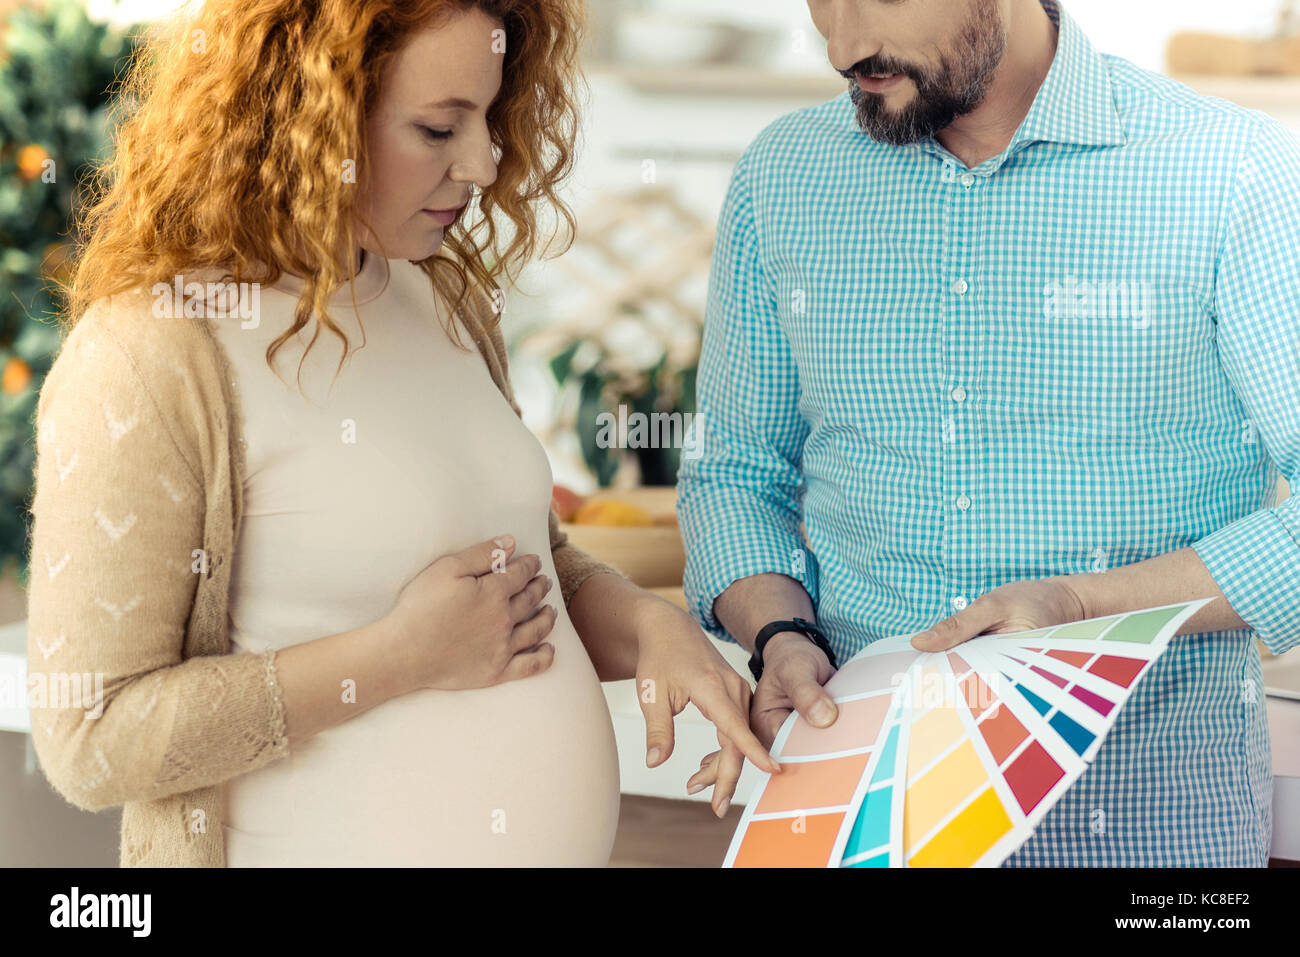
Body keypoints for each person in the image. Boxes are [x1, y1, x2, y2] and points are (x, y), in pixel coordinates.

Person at [27, 0, 776, 868]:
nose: (484, 163)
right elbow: (91, 735)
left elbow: (529, 574)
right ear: (307, 114)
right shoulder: (154, 351)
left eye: (490, 118)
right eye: (436, 128)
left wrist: (651, 627)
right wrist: (396, 656)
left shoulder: (441, 300)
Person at [679, 0, 1298, 865]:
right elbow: (735, 473)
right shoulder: (784, 174)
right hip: (854, 822)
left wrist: (1079, 605)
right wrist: (783, 636)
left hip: (1142, 831)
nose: (845, 44)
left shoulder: (1231, 170)